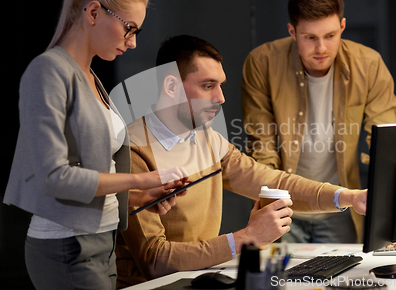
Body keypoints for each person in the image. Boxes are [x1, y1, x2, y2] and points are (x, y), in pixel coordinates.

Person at [114, 35, 368, 288]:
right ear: (171, 87)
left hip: (201, 280)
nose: (221, 97)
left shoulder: (208, 140)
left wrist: (349, 197)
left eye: (220, 85)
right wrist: (246, 238)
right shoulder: (133, 152)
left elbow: (272, 181)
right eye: (207, 85)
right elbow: (154, 260)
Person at [3, 0, 188, 290]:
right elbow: (54, 177)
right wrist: (140, 177)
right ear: (92, 12)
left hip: (102, 243)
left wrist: (140, 195)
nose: (132, 43)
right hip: (66, 247)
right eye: (130, 28)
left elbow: (93, 180)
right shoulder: (48, 72)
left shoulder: (92, 79)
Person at [241, 0, 396, 244]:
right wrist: (269, 209)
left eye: (330, 35)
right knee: (280, 282)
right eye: (310, 37)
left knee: (341, 281)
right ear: (292, 31)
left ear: (343, 26)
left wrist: (387, 216)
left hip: (340, 204)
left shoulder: (369, 65)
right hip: (283, 205)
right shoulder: (262, 63)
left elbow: (385, 145)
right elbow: (262, 146)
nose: (322, 48)